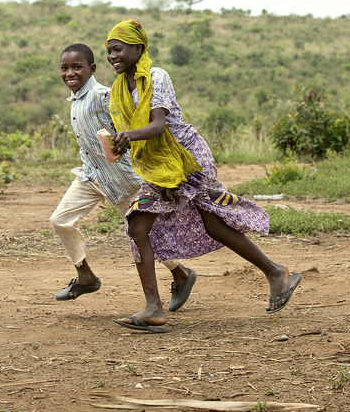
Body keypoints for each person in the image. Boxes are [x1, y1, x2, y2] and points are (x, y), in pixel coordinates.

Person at [104, 19, 300, 333]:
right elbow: (143, 141)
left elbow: (156, 126)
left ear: (138, 48)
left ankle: (275, 272)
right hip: (161, 166)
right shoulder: (119, 90)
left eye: (119, 48)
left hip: (188, 158)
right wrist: (150, 170)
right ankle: (154, 307)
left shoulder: (156, 76)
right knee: (138, 224)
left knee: (212, 222)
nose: (113, 55)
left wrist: (129, 136)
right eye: (109, 51)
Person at [51, 43, 198, 311]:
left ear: (92, 69)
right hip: (90, 177)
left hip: (123, 180)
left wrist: (154, 170)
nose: (70, 73)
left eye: (77, 67)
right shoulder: (75, 100)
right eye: (64, 68)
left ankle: (181, 274)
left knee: (142, 236)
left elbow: (133, 127)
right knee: (60, 220)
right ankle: (85, 275)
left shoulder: (104, 96)